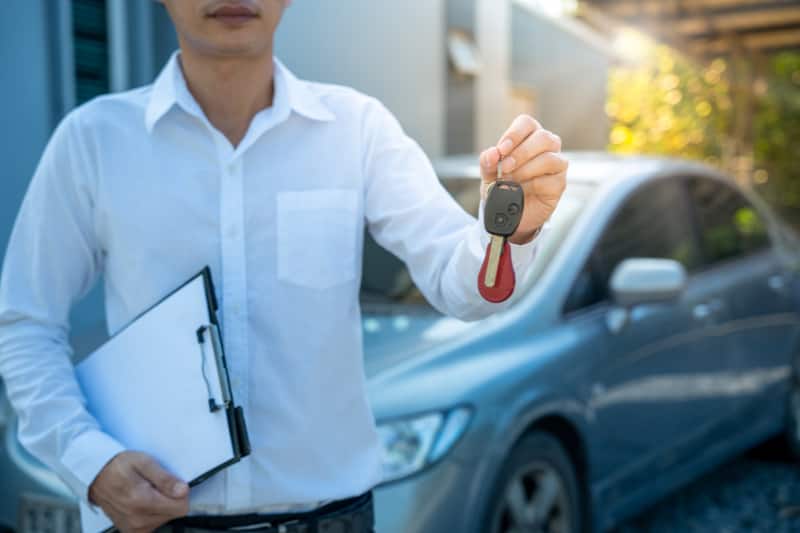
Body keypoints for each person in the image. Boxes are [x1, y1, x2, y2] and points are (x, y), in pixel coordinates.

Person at [0, 1, 568, 532]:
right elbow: (24, 324)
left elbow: (459, 284)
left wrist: (509, 231)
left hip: (332, 519)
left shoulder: (356, 128)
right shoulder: (94, 141)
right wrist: (89, 462)